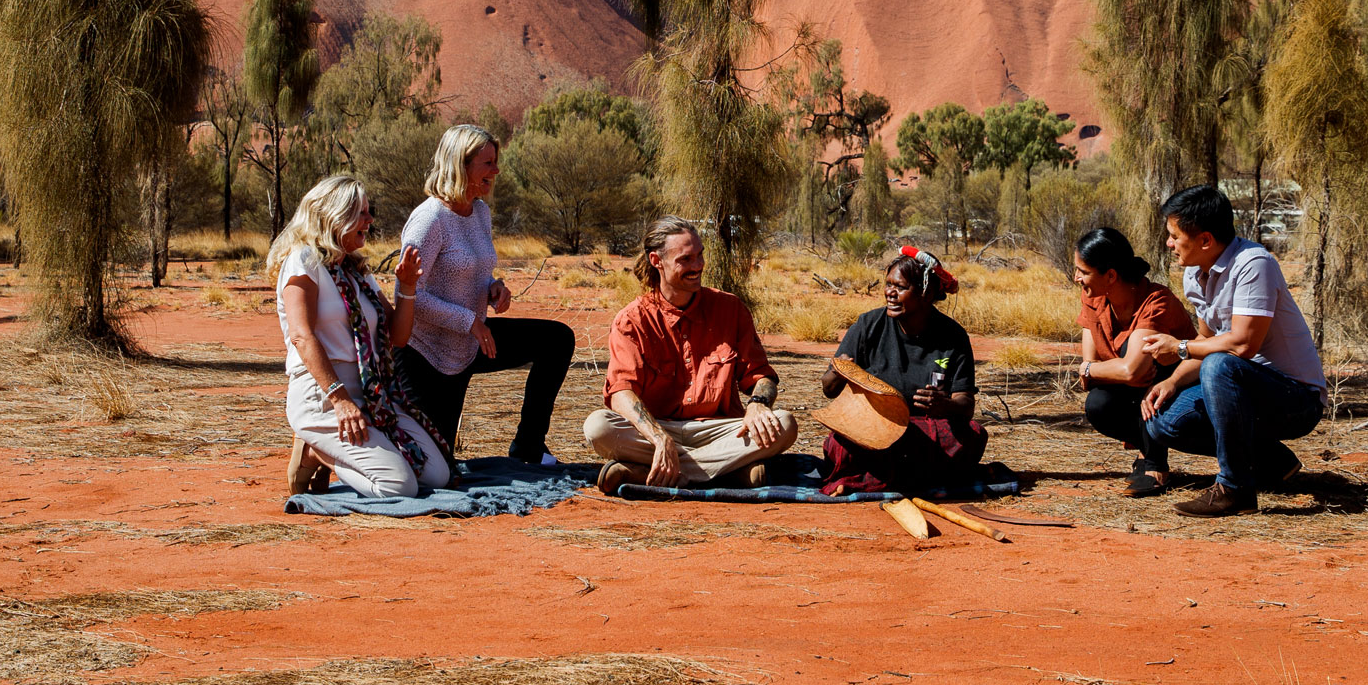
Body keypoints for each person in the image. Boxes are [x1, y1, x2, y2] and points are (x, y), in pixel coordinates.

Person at [1124, 184, 1327, 517]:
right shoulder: (1195, 274)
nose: (1169, 243)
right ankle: (1271, 461)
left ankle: (1235, 489)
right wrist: (1172, 382)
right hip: (1241, 389)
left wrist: (1178, 347)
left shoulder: (1253, 264)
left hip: (1296, 399)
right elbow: (1205, 344)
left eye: (1175, 236)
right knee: (1162, 423)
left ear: (1205, 240)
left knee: (1219, 365)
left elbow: (1243, 345)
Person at [394, 124, 577, 464]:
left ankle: (529, 446)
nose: (496, 170)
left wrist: (493, 288)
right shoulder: (429, 219)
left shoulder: (480, 212)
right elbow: (409, 296)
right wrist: (470, 322)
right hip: (428, 354)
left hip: (472, 342)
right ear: (460, 165)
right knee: (435, 467)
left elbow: (472, 269)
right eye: (488, 163)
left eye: (495, 161)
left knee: (557, 340)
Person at [583, 217, 799, 492]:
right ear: (656, 260)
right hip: (658, 430)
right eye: (686, 259)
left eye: (700, 256)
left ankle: (658, 474)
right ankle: (728, 474)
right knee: (598, 427)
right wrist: (661, 438)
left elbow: (761, 375)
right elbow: (620, 394)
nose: (698, 266)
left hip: (720, 431)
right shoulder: (632, 320)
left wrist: (758, 403)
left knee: (785, 424)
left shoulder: (730, 309)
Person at [273, 173, 451, 498]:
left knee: (437, 476)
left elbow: (396, 337)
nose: (369, 220)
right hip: (324, 395)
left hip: (371, 395)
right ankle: (315, 451)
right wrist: (340, 401)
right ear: (334, 216)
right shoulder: (303, 261)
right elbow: (302, 336)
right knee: (398, 486)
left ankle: (336, 450)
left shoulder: (356, 272)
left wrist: (408, 287)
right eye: (361, 212)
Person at [817, 246, 988, 495]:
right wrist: (840, 371)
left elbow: (965, 404)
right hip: (873, 428)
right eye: (888, 284)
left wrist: (945, 405)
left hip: (926, 431)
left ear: (926, 294)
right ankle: (916, 477)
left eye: (901, 287)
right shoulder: (868, 325)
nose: (890, 293)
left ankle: (869, 479)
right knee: (839, 445)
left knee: (972, 436)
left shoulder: (953, 336)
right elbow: (828, 389)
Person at [1071, 226, 1200, 495]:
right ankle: (1145, 450)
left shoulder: (1155, 300)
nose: (1076, 278)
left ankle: (1155, 466)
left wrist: (1093, 370)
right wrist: (1091, 369)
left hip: (1184, 391)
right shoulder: (1093, 297)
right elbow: (1089, 371)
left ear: (1111, 275)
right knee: (1098, 404)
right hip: (1139, 389)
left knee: (1140, 360)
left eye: (1083, 272)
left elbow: (1132, 370)